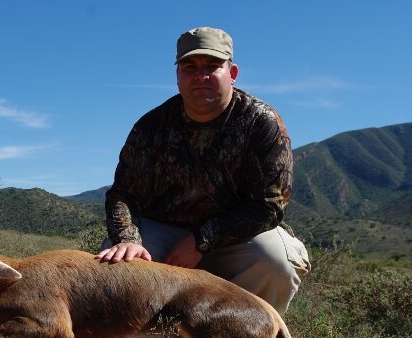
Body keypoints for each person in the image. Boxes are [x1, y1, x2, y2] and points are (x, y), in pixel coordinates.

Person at [96, 27, 310, 314]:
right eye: (190, 66)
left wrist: (201, 240)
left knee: (276, 260)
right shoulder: (151, 126)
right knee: (117, 264)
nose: (201, 75)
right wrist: (127, 240)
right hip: (163, 234)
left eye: (213, 66)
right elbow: (124, 193)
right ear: (178, 75)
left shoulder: (261, 122)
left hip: (236, 238)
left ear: (232, 73)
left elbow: (269, 205)